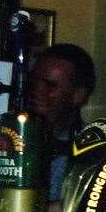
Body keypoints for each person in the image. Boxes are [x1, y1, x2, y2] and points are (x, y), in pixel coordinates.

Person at [27, 43, 96, 201]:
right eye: (33, 81)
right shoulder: (12, 137)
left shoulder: (89, 150)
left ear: (77, 95)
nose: (36, 91)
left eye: (50, 85)